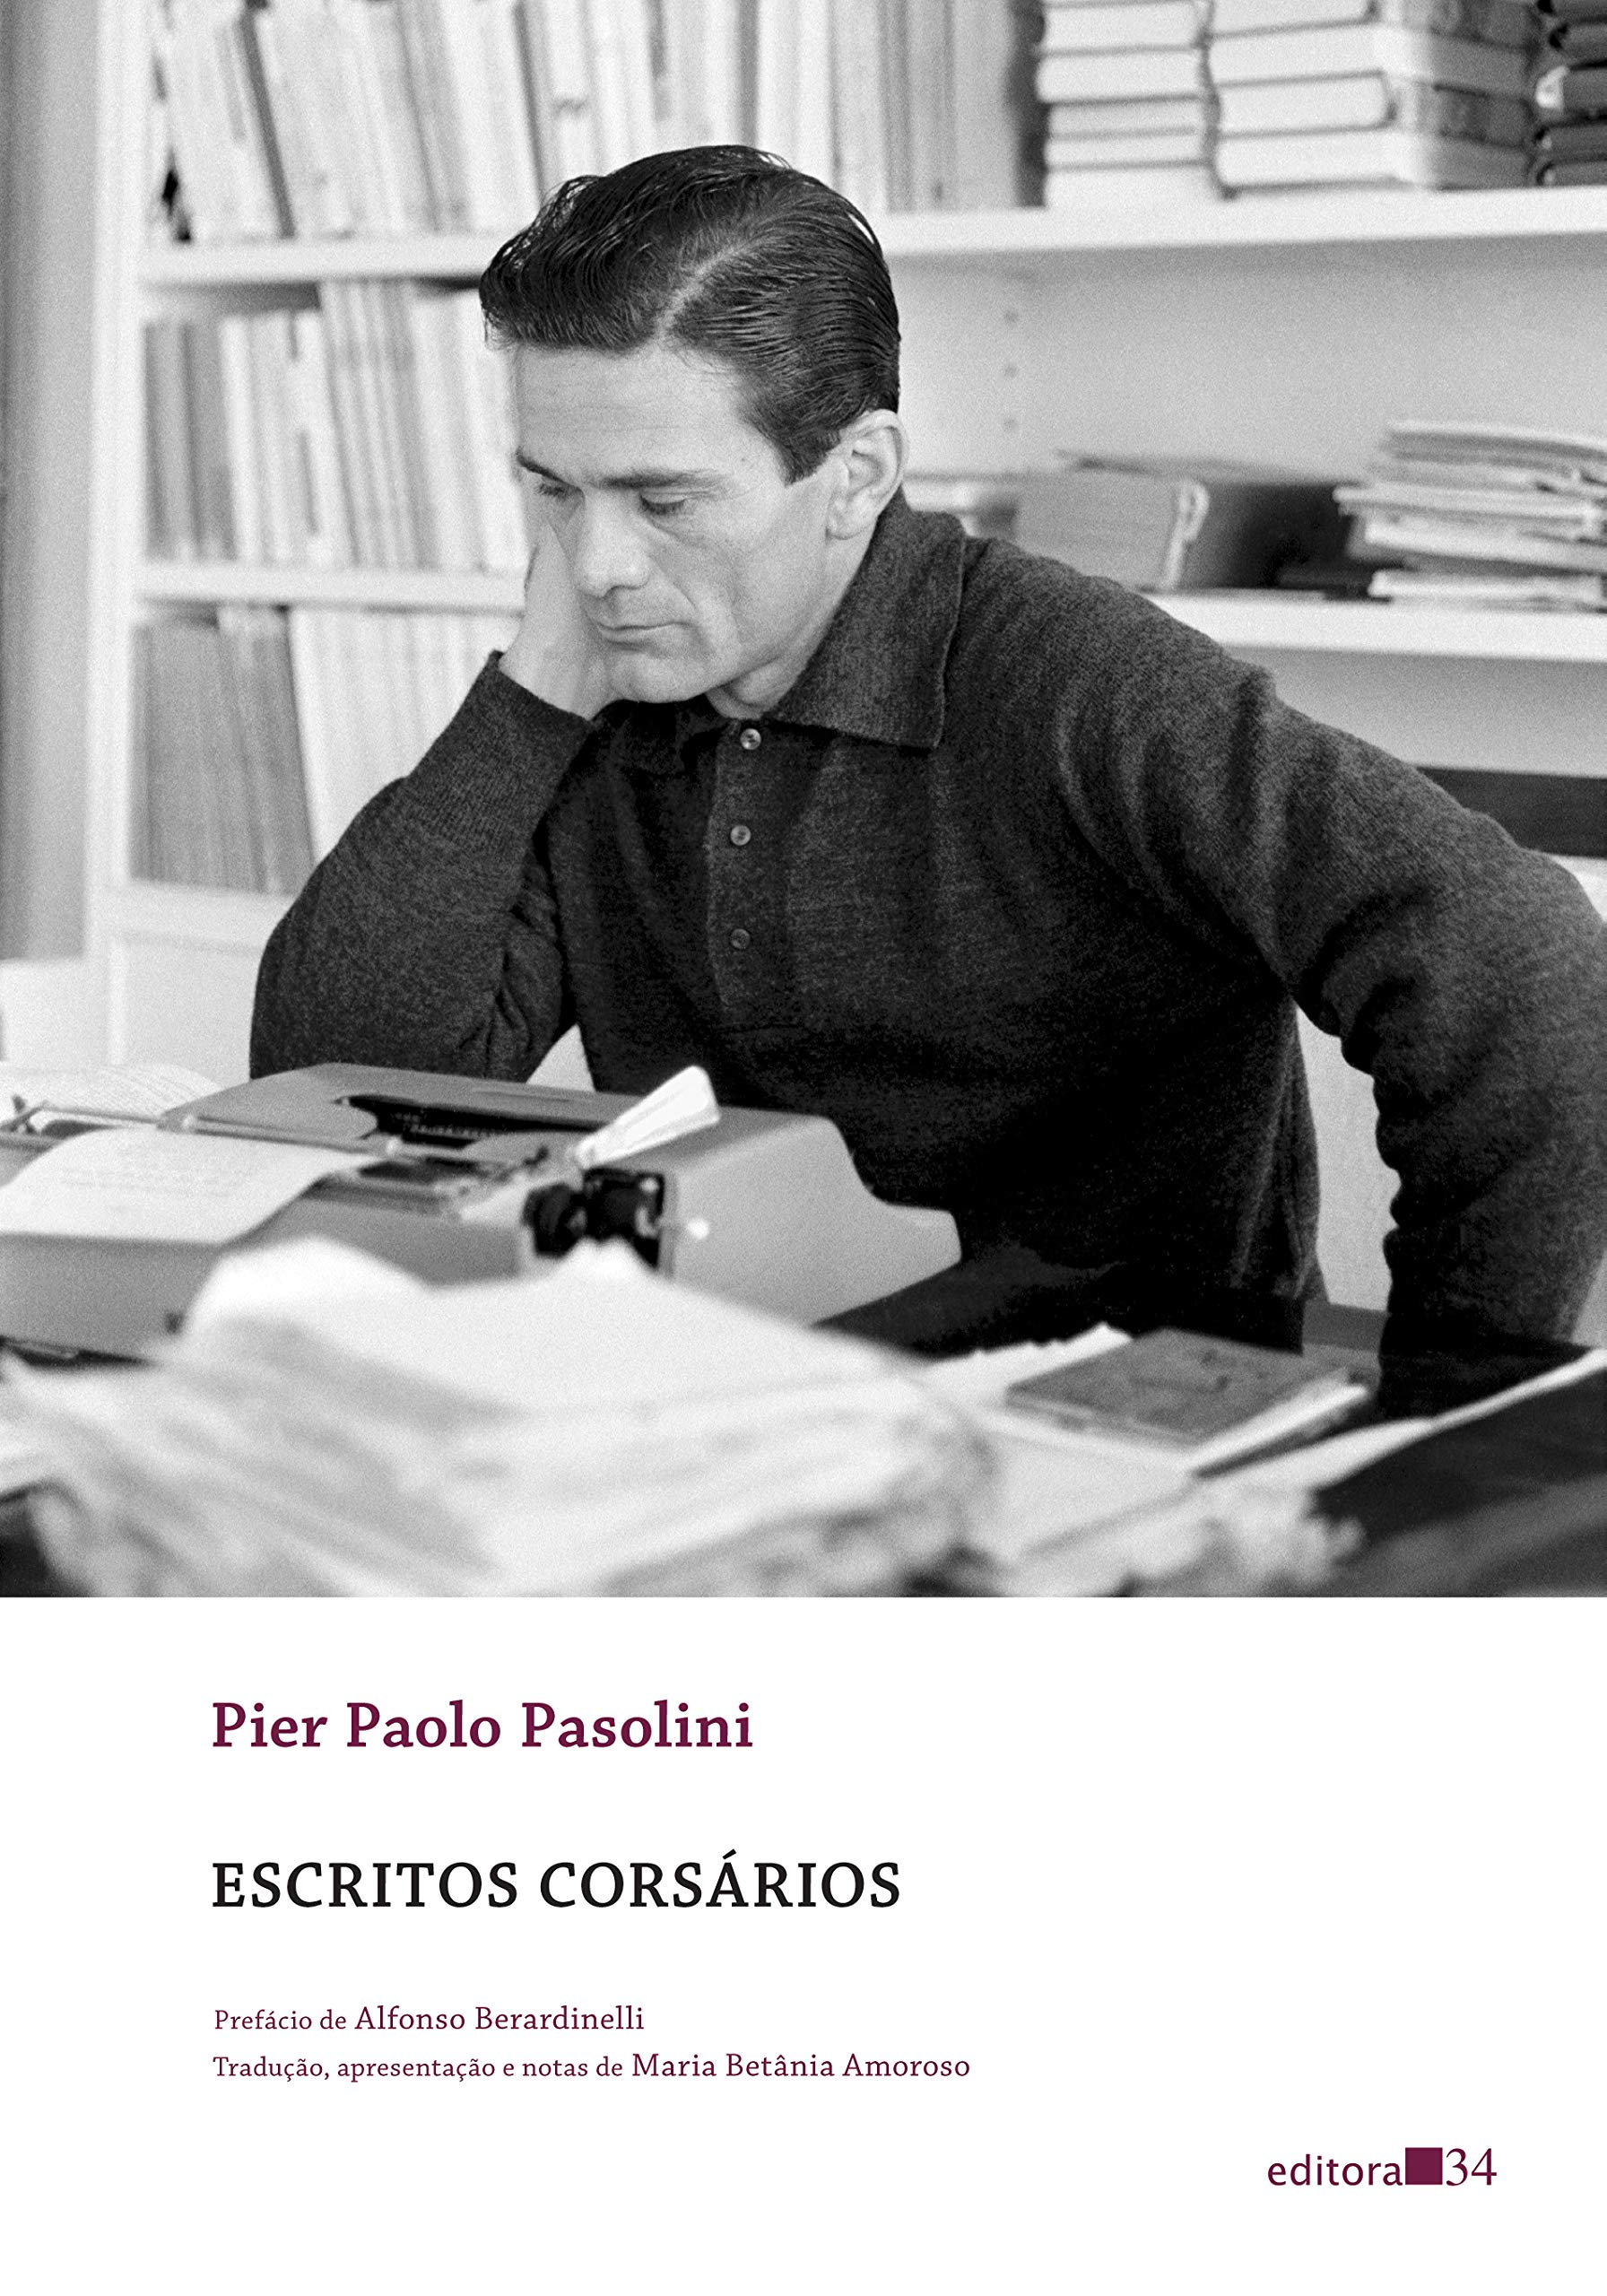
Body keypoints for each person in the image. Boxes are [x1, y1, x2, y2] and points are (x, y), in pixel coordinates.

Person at [252, 146, 1606, 1348]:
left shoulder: (1069, 676)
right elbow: (331, 1084)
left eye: (664, 501)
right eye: (553, 490)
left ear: (856, 476)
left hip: (1112, 1415)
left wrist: (1452, 1391)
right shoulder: (603, 681)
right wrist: (537, 687)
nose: (596, 563)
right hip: (742, 1400)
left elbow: (1523, 965)